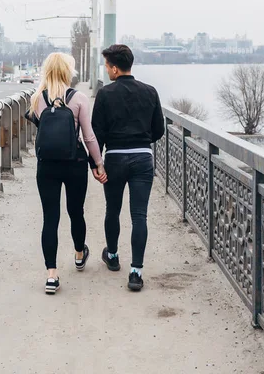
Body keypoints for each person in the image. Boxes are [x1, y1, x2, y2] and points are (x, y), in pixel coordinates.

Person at [27, 52, 106, 295]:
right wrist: (99, 164)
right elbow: (88, 136)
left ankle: (52, 275)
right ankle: (80, 254)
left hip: (47, 165)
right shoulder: (79, 98)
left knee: (50, 218)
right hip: (75, 163)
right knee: (76, 211)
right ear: (67, 72)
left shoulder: (37, 99)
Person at [90, 44, 164, 291]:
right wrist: (140, 140)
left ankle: (112, 256)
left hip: (115, 158)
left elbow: (96, 133)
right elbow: (159, 130)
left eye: (106, 66)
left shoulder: (105, 94)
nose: (106, 70)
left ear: (113, 68)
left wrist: (96, 164)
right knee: (139, 215)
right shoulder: (150, 91)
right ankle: (136, 272)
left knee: (113, 209)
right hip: (143, 158)